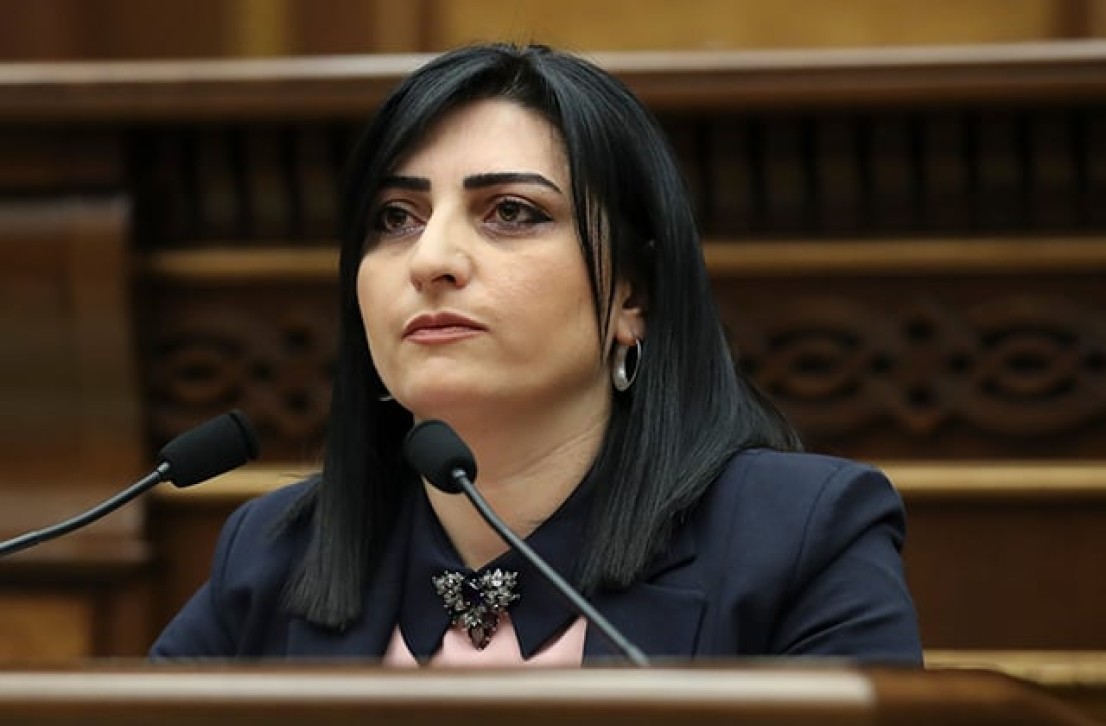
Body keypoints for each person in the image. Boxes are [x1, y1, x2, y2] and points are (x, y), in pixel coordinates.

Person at [151, 43, 921, 665]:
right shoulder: (273, 556)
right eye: (395, 218)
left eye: (511, 212)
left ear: (633, 297)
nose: (431, 259)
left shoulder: (798, 539)